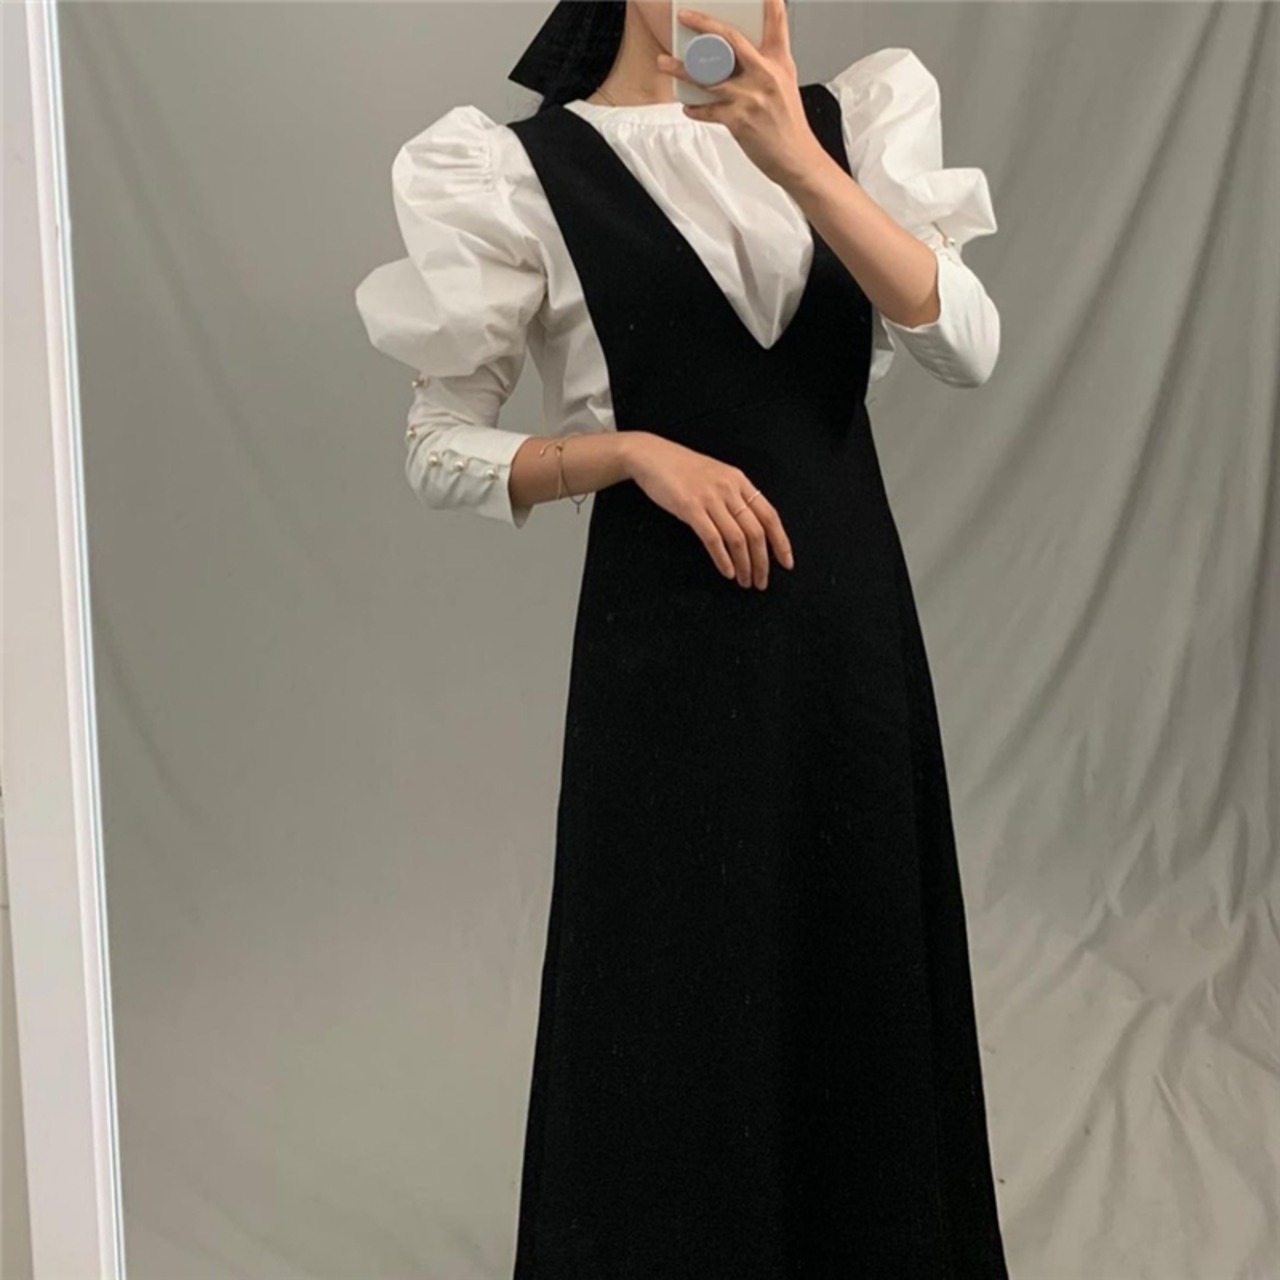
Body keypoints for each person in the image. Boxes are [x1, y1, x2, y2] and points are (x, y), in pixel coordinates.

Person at [355, 2, 1009, 1275]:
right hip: (664, 665)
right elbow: (434, 447)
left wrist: (797, 161)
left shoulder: (849, 122)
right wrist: (626, 454)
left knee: (861, 985)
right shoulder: (517, 172)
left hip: (847, 650)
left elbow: (966, 347)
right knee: (669, 1009)